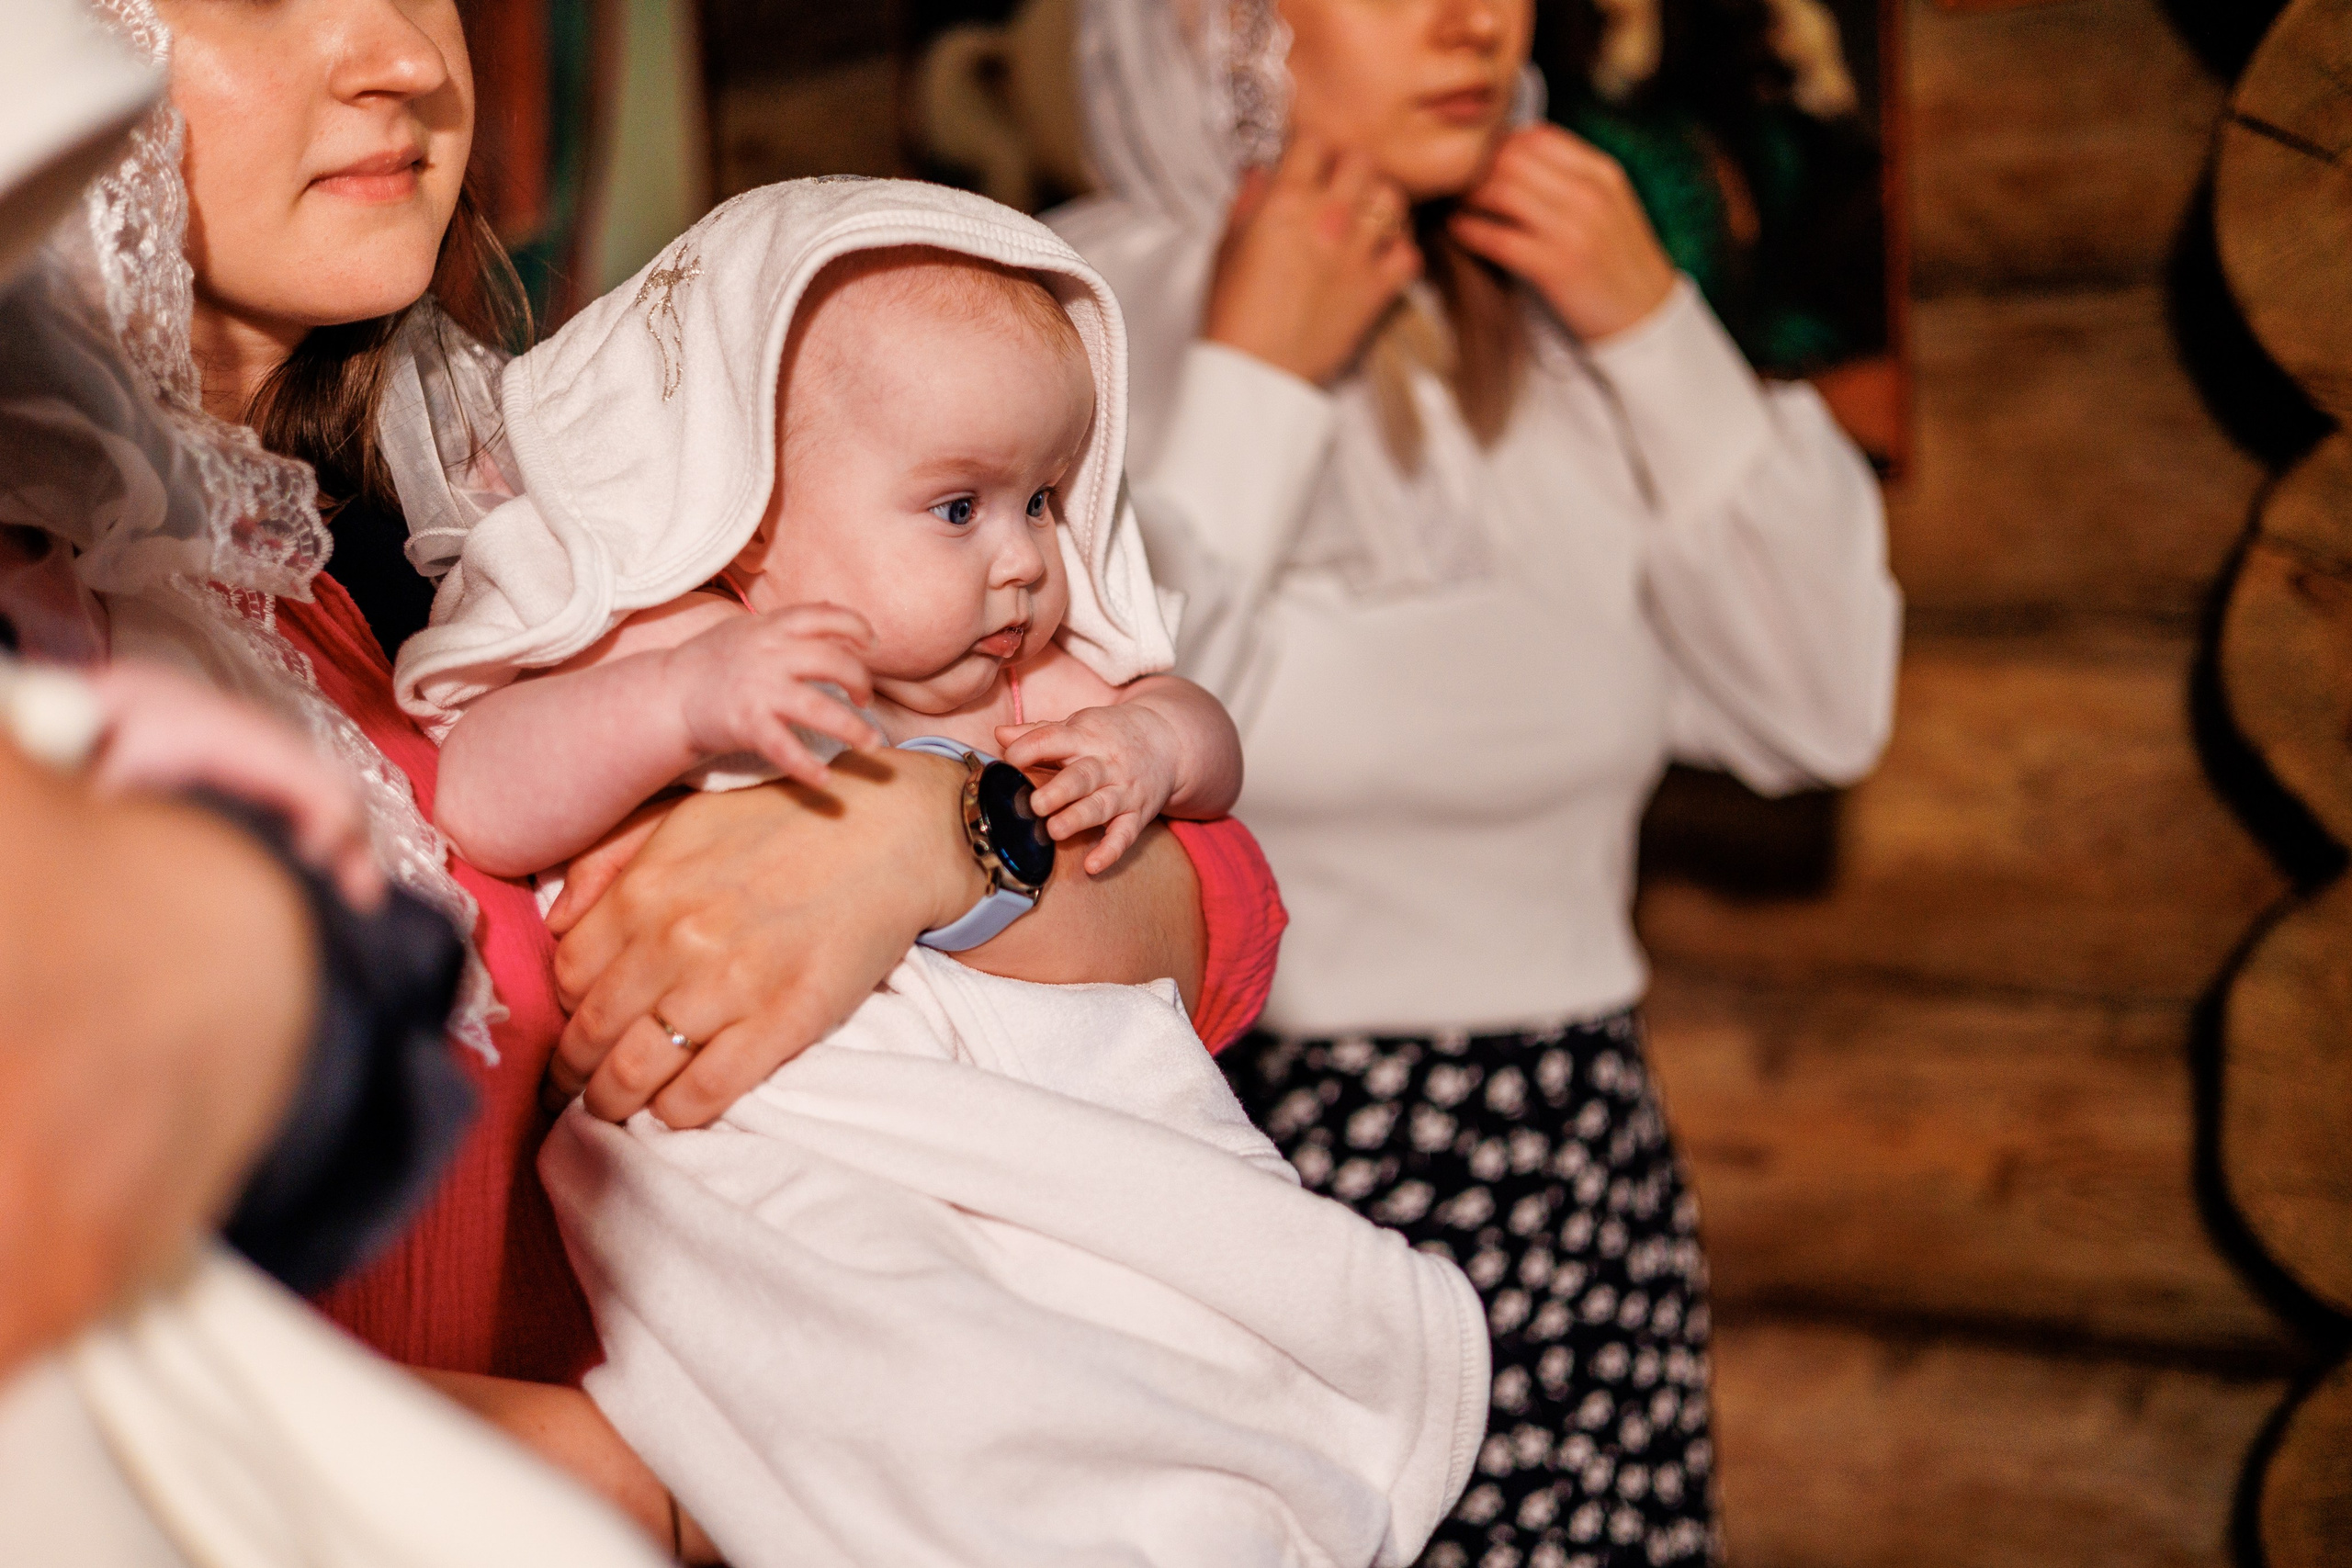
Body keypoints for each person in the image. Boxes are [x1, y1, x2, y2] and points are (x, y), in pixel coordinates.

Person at [30, 0, 1283, 1549]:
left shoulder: (502, 520)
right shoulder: (53, 638)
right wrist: (641, 1478)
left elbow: (1224, 913)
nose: (410, 59)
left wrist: (930, 841)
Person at [389, 177, 1475, 1567]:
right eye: (958, 506)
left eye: (1042, 498)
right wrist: (677, 709)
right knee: (909, 1358)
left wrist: (1147, 742)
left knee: (1153, 1324)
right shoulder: (664, 637)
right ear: (754, 509)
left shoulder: (1018, 685)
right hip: (795, 1144)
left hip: (1039, 1121)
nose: (1024, 560)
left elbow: (1213, 774)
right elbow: (482, 791)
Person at [1049, 2, 1901, 1564]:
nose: (1475, 16)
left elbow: (1823, 711)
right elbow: (1065, 772)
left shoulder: (1566, 330)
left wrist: (1657, 327)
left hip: (1584, 1175)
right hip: (1243, 1170)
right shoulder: (1079, 312)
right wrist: (1254, 380)